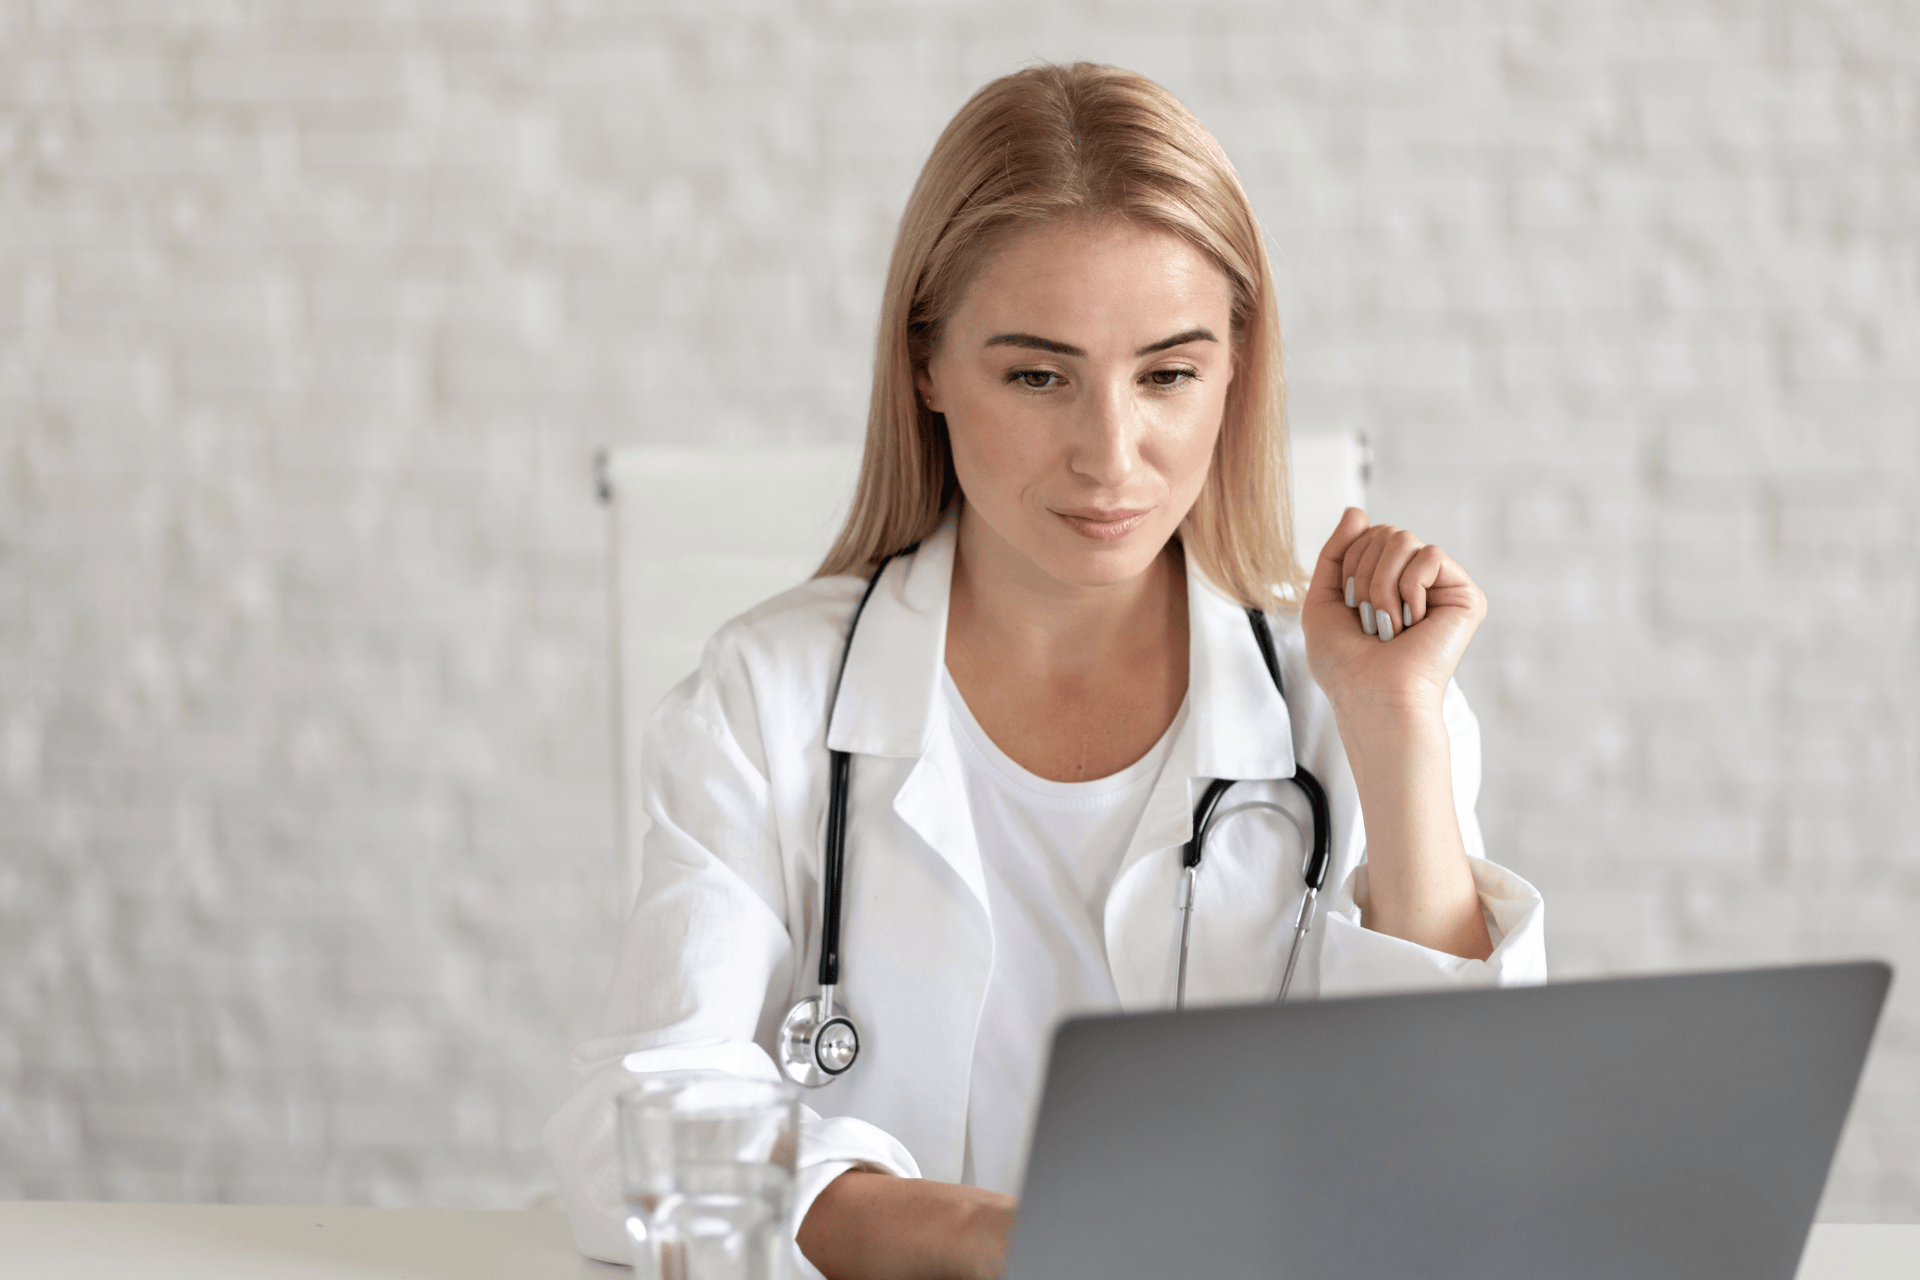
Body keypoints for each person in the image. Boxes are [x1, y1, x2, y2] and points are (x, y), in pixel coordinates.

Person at [545, 62, 1545, 1280]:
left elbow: (1463, 1160)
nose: (1109, 455)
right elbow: (637, 1124)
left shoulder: (1344, 704)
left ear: (1236, 368)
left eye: (1168, 375)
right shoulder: (770, 696)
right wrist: (990, 1238)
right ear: (927, 364)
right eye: (1036, 376)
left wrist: (1397, 732)